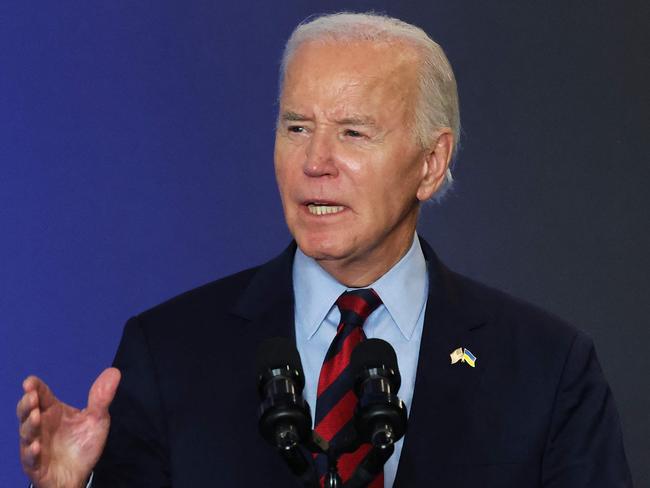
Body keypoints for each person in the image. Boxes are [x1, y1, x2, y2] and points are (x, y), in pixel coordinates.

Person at [16, 12, 632, 488]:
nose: (315, 163)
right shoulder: (167, 352)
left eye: (353, 133)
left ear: (431, 163)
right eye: (297, 127)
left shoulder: (547, 370)